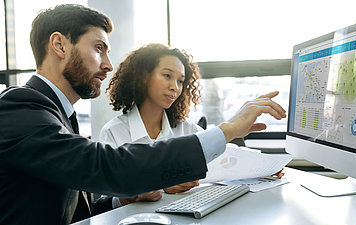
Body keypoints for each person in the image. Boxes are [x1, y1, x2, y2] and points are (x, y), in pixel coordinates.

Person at [0, 4, 286, 225]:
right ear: (59, 45)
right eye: (99, 48)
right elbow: (105, 164)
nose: (108, 65)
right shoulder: (19, 107)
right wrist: (228, 130)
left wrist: (124, 198)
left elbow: (77, 209)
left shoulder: (59, 114)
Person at [98, 43, 203, 208]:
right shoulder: (114, 132)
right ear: (143, 76)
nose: (174, 87)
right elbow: (105, 201)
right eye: (167, 75)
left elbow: (216, 168)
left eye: (180, 81)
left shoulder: (188, 129)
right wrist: (137, 194)